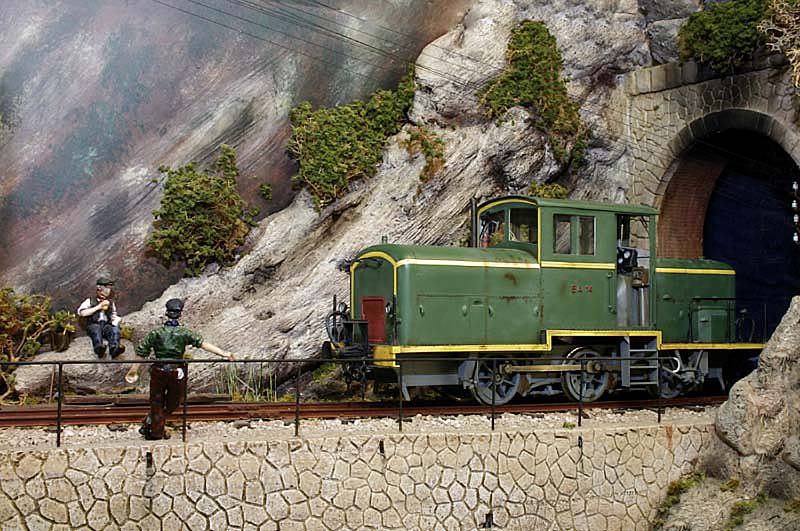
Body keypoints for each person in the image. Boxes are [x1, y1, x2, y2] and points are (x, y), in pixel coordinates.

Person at [126, 298, 235, 440]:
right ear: (180, 313)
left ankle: (152, 425)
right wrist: (223, 353)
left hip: (158, 370)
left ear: (166, 313)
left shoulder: (156, 333)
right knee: (175, 401)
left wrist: (134, 370)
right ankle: (154, 429)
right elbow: (203, 344)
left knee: (157, 401)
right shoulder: (184, 333)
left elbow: (142, 351)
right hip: (176, 370)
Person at [77, 276, 124, 358]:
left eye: (109, 288)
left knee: (114, 330)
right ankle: (99, 348)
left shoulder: (110, 303)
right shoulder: (90, 301)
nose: (108, 290)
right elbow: (82, 313)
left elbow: (113, 314)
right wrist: (98, 307)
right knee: (96, 329)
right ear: (99, 288)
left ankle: (114, 348)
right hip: (94, 324)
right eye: (106, 287)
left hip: (106, 325)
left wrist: (115, 319)